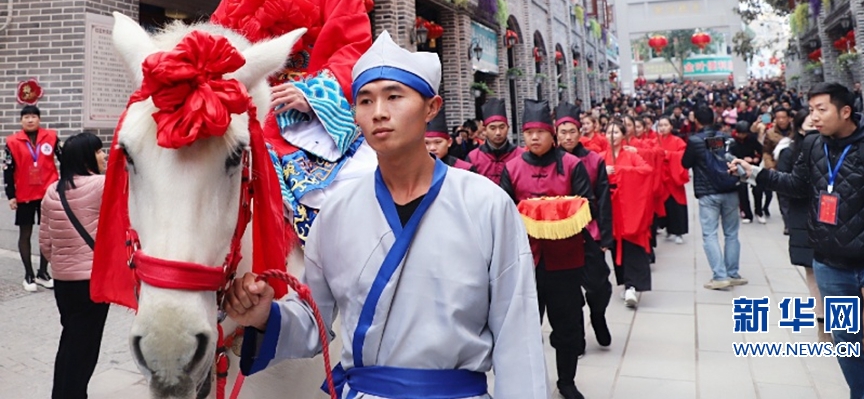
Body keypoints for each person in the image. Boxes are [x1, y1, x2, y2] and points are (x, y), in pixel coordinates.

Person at [225, 31, 550, 399]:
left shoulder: (487, 205)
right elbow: (313, 323)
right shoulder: (335, 212)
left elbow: (517, 334)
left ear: (431, 107)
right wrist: (265, 315)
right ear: (354, 116)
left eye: (394, 96)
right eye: (365, 100)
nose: (379, 111)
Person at [210, 0, 375, 243]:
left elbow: (352, 45)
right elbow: (216, 49)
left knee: (356, 194)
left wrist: (310, 91)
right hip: (250, 111)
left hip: (310, 116)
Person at [734, 83, 864, 399]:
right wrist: (755, 173)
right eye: (811, 110)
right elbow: (797, 185)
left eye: (821, 109)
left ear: (845, 111)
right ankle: (861, 394)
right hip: (830, 263)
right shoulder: (812, 145)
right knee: (845, 338)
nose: (814, 117)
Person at [500, 100, 592, 399]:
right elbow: (503, 211)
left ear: (552, 134)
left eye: (540, 132)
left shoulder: (572, 166)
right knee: (525, 328)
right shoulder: (512, 168)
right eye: (528, 133)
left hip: (565, 261)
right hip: (526, 261)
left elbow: (585, 203)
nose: (534, 138)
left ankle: (567, 381)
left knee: (566, 327)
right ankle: (530, 382)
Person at [40, 133, 109, 399]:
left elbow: (45, 244)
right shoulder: (101, 185)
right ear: (86, 157)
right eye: (99, 151)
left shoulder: (51, 191)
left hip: (63, 283)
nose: (104, 156)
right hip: (91, 283)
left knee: (70, 342)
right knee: (85, 349)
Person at [557, 102, 614, 348]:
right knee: (569, 294)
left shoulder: (593, 160)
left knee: (598, 285)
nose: (568, 137)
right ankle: (577, 337)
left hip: (590, 233)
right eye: (563, 132)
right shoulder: (551, 162)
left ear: (580, 132)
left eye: (572, 131)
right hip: (560, 236)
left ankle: (598, 315)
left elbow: (603, 199)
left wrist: (605, 237)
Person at [682, 104, 746, 290]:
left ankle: (720, 276)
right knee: (731, 233)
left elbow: (685, 162)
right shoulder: (725, 138)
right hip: (729, 189)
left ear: (697, 120)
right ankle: (733, 273)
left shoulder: (695, 140)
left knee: (710, 234)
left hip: (708, 193)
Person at [3, 104, 59, 291]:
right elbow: (8, 170)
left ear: (39, 119)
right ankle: (28, 275)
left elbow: (64, 158)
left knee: (48, 234)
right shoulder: (12, 142)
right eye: (26, 117)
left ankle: (43, 272)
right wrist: (11, 195)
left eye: (33, 116)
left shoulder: (51, 137)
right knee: (25, 233)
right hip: (25, 194)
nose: (30, 119)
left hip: (48, 192)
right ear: (21, 121)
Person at [600, 119, 654, 308]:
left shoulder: (631, 155)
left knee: (632, 244)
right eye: (608, 132)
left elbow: (647, 170)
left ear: (623, 135)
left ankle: (632, 285)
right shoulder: (600, 157)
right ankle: (624, 282)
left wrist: (622, 171)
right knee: (614, 244)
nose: (612, 136)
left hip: (629, 206)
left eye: (616, 133)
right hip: (609, 205)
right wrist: (602, 171)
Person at [775, 110, 821, 310]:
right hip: (802, 217)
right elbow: (784, 187)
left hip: (831, 218)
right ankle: (822, 322)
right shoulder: (790, 152)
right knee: (812, 272)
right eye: (809, 127)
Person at [466, 98, 522, 184]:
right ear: (485, 130)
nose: (498, 132)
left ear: (508, 128)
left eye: (502, 127)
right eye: (492, 128)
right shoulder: (473, 157)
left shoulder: (520, 155)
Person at [657, 116, 690, 243]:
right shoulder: (655, 140)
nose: (663, 128)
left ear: (671, 126)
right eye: (660, 125)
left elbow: (683, 155)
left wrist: (668, 154)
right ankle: (668, 229)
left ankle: (679, 232)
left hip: (673, 177)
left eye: (665, 125)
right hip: (661, 178)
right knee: (665, 206)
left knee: (676, 205)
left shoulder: (677, 141)